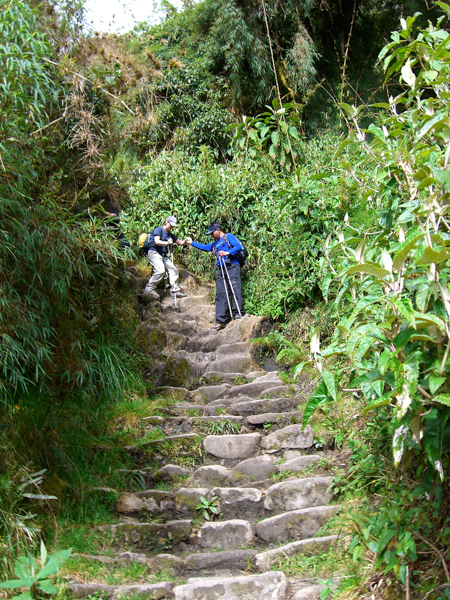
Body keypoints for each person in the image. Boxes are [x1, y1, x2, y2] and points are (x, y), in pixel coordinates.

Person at [188, 223, 244, 330]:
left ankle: (238, 314)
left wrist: (227, 252)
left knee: (235, 289)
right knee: (220, 293)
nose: (211, 236)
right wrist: (192, 243)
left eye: (212, 233)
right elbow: (204, 247)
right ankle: (220, 320)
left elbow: (238, 246)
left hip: (232, 266)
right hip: (221, 269)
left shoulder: (229, 237)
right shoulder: (215, 244)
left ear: (218, 230)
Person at [142, 216, 189, 299]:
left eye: (173, 226)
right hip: (153, 252)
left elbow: (181, 243)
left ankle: (175, 291)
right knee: (160, 270)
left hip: (162, 254)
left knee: (173, 269)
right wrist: (167, 243)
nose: (172, 227)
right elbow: (156, 241)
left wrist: (185, 241)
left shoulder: (170, 235)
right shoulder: (159, 229)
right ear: (166, 222)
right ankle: (148, 288)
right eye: (171, 225)